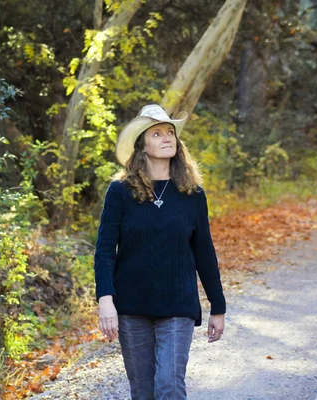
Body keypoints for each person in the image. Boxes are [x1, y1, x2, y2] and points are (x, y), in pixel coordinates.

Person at [93, 104, 226, 399]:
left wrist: (218, 307)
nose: (167, 138)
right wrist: (105, 299)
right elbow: (104, 250)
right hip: (131, 306)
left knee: (169, 384)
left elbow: (204, 252)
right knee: (143, 392)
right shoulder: (120, 192)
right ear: (142, 144)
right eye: (157, 133)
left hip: (178, 303)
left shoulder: (193, 194)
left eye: (170, 133)